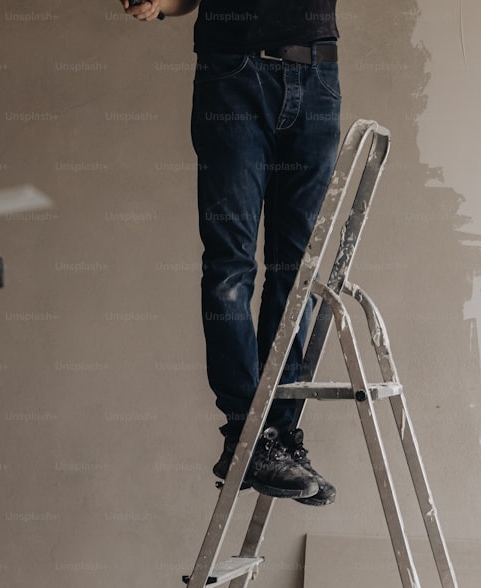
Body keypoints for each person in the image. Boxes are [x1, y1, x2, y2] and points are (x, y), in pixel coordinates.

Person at [122, 0, 341, 505]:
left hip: (317, 74)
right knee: (231, 267)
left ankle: (280, 434)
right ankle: (247, 434)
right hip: (233, 73)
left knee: (298, 275)